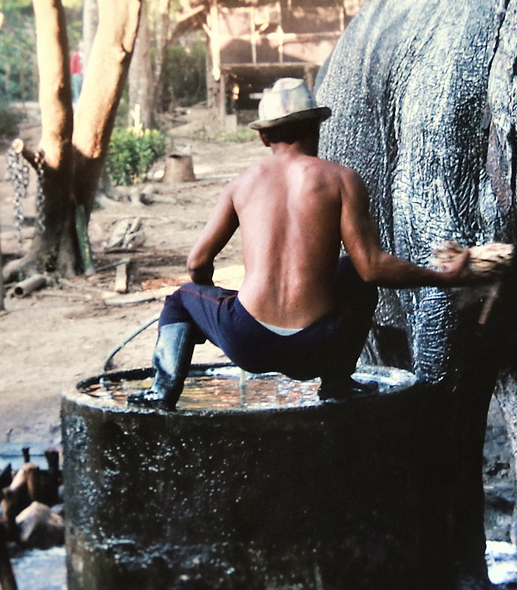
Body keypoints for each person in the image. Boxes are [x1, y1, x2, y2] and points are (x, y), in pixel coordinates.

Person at [129, 77, 473, 408]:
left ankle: (162, 392)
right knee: (355, 269)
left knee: (179, 301)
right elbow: (373, 268)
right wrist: (443, 278)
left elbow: (196, 263)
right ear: (315, 127)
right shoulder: (342, 180)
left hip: (246, 340)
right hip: (317, 346)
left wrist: (214, 309)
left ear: (264, 137)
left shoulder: (241, 183)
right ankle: (338, 382)